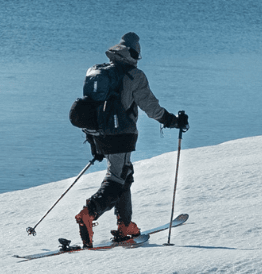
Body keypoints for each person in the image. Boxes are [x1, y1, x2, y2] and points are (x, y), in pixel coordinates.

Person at [75, 32, 189, 248]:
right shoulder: (133, 76)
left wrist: (95, 143)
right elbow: (151, 108)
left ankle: (125, 226)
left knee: (125, 174)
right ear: (133, 53)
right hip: (120, 135)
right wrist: (173, 121)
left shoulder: (100, 71)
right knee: (117, 179)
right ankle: (89, 213)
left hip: (98, 133)